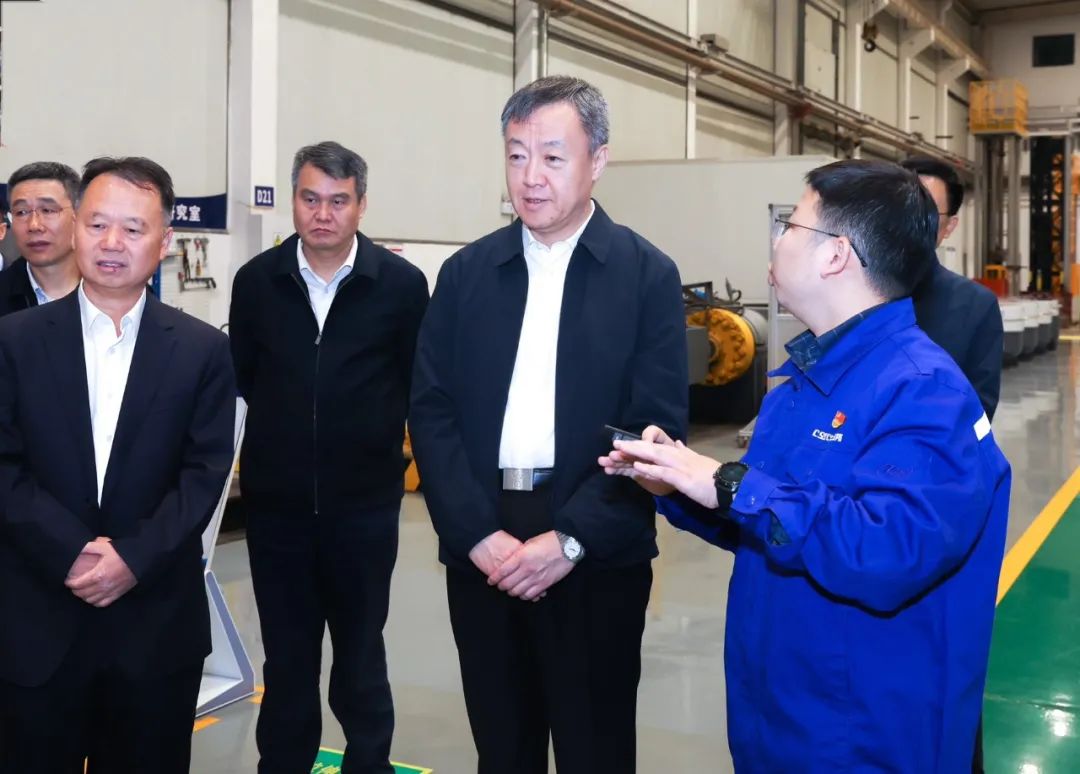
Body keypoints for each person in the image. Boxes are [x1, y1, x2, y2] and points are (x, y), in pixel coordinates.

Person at [601, 159, 1011, 772]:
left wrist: (728, 484)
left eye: (791, 226)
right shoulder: (804, 382)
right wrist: (678, 485)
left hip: (861, 734)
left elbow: (887, 551)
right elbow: (772, 524)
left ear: (835, 254)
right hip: (782, 713)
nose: (777, 240)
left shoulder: (923, 392)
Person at [409, 75, 688, 774]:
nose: (530, 177)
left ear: (598, 161)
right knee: (502, 747)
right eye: (516, 155)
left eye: (553, 157)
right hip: (485, 546)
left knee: (596, 749)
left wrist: (569, 540)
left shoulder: (646, 276)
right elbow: (431, 411)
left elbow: (652, 428)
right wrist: (474, 534)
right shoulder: (466, 274)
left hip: (596, 548)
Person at [0, 156, 237, 773]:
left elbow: (204, 473)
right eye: (98, 224)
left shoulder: (203, 351)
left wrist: (133, 558)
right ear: (76, 228)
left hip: (155, 628)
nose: (112, 243)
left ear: (164, 241)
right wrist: (70, 551)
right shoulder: (14, 341)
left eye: (133, 229)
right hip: (36, 623)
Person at [229, 141, 429, 774]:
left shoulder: (400, 286)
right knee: (287, 658)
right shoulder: (256, 282)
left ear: (361, 205)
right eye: (310, 199)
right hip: (277, 512)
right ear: (293, 200)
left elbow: (416, 387)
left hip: (364, 511)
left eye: (338, 201)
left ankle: (368, 763)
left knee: (361, 654)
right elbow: (245, 380)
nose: (323, 214)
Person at [901, 156, 1003, 420]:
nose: (911, 220)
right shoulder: (849, 291)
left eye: (928, 211)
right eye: (902, 207)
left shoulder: (976, 306)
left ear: (949, 227)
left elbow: (977, 412)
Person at [0, 161, 81, 315]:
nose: (34, 225)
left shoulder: (112, 288)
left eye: (48, 210)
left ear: (78, 215)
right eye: (21, 212)